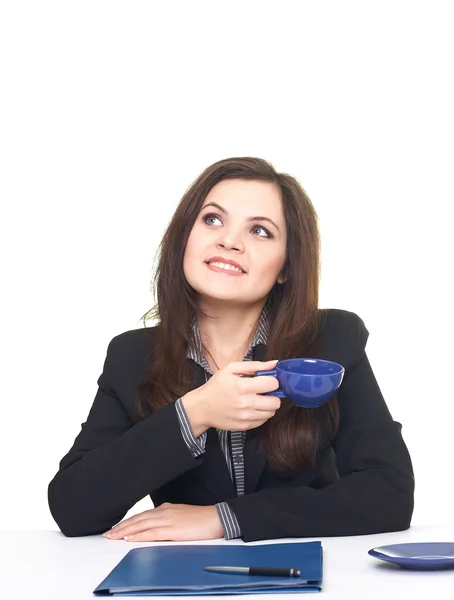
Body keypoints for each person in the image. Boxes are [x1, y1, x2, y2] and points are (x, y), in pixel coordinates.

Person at [48, 157, 414, 543]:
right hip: (182, 577)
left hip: (312, 574)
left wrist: (225, 519)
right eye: (212, 220)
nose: (229, 241)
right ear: (184, 238)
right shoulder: (131, 356)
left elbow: (389, 494)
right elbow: (72, 507)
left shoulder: (333, 338)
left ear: (285, 267)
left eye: (259, 230)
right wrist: (195, 412)